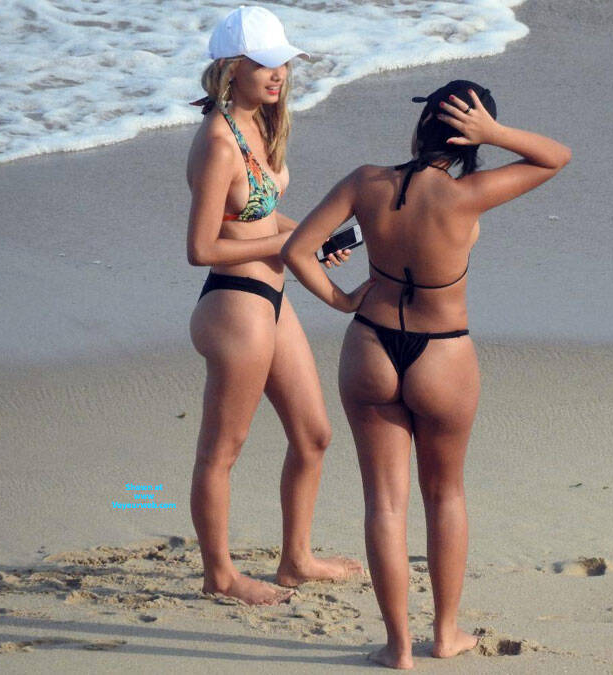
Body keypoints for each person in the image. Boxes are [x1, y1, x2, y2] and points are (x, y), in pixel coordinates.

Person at [282, 80, 571, 667]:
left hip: (370, 345)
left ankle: (397, 647)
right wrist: (496, 133)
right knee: (445, 495)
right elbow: (556, 156)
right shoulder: (470, 194)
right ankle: (444, 634)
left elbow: (295, 251)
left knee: (384, 503)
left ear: (420, 128)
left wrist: (341, 300)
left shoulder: (366, 182)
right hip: (442, 354)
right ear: (471, 138)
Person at [186, 6, 362, 606]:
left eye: (283, 62)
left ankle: (296, 560)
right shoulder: (218, 142)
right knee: (221, 453)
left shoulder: (259, 126)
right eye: (265, 63)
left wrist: (310, 238)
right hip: (234, 306)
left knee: (314, 435)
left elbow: (258, 217)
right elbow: (201, 247)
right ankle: (220, 576)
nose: (279, 73)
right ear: (232, 68)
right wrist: (288, 246)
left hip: (271, 300)